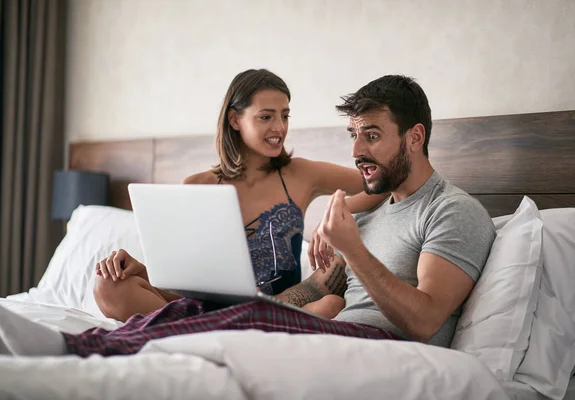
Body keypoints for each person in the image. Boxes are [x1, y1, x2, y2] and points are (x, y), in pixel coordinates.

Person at [0, 74, 496, 358]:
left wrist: (349, 245)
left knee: (257, 314)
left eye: (370, 135)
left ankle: (74, 349)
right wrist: (291, 301)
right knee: (227, 309)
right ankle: (82, 342)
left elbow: (428, 320)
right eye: (353, 136)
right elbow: (322, 290)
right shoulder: (377, 212)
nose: (358, 151)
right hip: (322, 319)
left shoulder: (453, 210)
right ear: (235, 122)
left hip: (374, 342)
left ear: (414, 136)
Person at [92, 68, 388, 323]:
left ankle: (202, 330)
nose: (279, 127)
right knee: (107, 286)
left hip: (275, 308)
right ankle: (217, 329)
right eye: (266, 117)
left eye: (284, 116)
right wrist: (142, 271)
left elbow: (382, 184)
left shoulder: (301, 174)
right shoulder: (198, 185)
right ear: (235, 120)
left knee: (331, 305)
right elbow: (186, 279)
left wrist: (336, 212)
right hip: (206, 307)